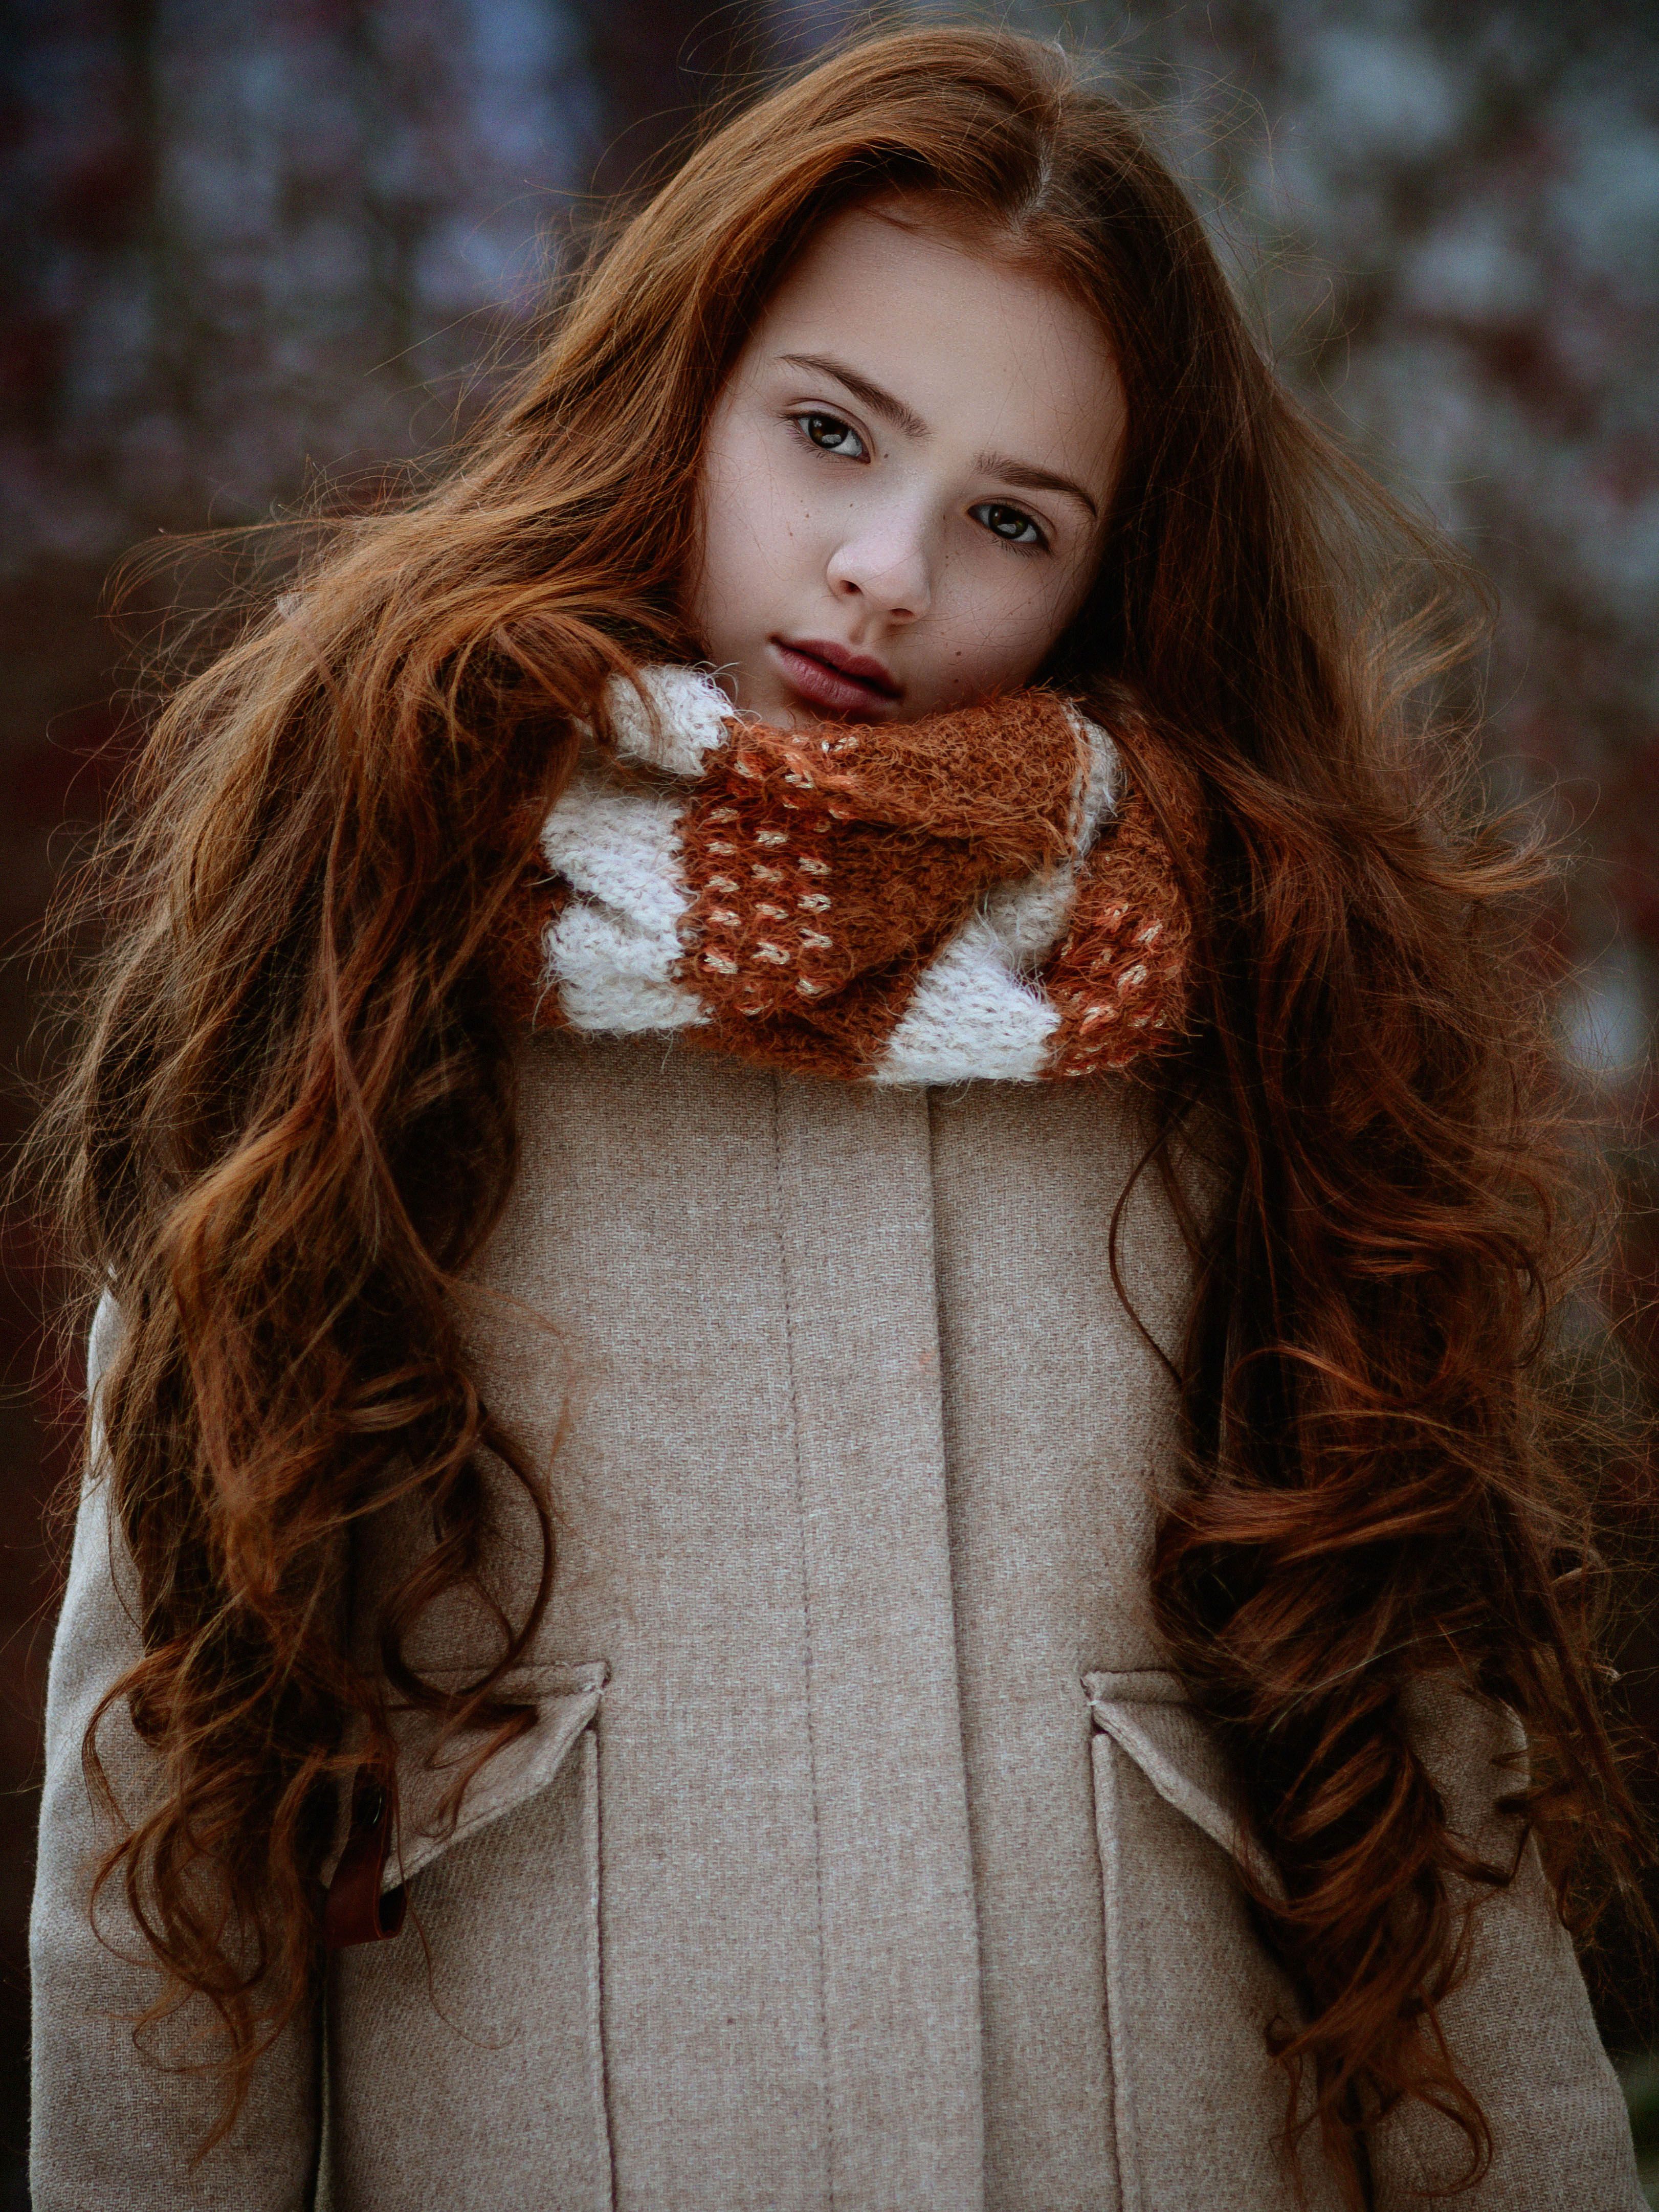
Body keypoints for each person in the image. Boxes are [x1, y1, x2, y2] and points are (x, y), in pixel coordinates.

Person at [26, 26, 1649, 2211]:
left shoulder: (1248, 987)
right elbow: (173, 1794)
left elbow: (1429, 1779)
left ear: (1108, 568)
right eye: (827, 435)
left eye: (1007, 516)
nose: (887, 566)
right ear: (679, 399)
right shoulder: (377, 932)